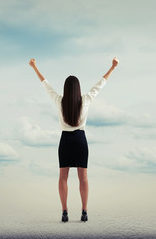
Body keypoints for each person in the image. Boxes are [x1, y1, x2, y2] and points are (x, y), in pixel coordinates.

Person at [29, 57, 119, 222]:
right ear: (78, 89)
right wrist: (112, 67)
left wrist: (34, 67)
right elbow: (101, 83)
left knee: (63, 177)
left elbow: (45, 85)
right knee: (83, 178)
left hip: (65, 141)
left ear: (65, 89)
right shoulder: (85, 100)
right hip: (80, 140)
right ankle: (84, 211)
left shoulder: (59, 101)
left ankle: (64, 211)